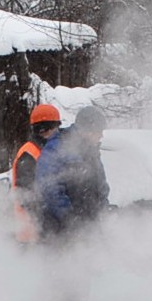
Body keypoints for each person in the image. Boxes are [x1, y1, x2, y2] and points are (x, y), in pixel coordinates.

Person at [35, 103, 111, 241]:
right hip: (62, 231)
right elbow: (50, 188)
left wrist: (104, 209)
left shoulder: (91, 150)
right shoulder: (58, 146)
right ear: (87, 130)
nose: (101, 136)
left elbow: (100, 184)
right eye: (98, 131)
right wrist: (70, 220)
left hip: (89, 226)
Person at [8, 102, 63, 243]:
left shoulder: (45, 150)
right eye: (55, 128)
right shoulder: (30, 153)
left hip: (40, 228)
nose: (57, 132)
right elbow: (27, 194)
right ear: (43, 129)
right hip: (32, 231)